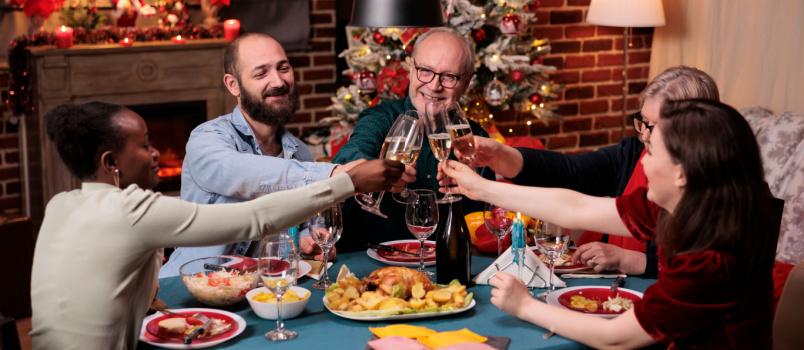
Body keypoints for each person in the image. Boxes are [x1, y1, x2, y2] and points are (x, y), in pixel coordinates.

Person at [29, 101, 403, 349]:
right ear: (112, 162)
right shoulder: (131, 210)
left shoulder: (61, 205)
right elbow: (255, 219)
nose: (156, 152)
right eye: (144, 145)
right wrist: (348, 181)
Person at [440, 99, 779, 348]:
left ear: (681, 173)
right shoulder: (692, 203)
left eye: (653, 152)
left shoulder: (711, 261)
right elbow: (576, 207)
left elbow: (614, 338)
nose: (642, 161)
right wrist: (482, 187)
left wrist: (524, 306)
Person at [158, 33, 414, 277]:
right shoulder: (208, 138)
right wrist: (337, 174)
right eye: (261, 73)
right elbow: (244, 173)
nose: (279, 82)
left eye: (284, 68)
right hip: (192, 290)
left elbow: (303, 227)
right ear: (233, 85)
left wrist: (310, 241)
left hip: (265, 293)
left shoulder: (300, 152)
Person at [454, 66, 720, 277]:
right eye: (643, 123)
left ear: (692, 131)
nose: (645, 138)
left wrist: (634, 260)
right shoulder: (638, 159)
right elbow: (572, 176)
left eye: (655, 127)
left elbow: (701, 274)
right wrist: (501, 156)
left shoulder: (711, 200)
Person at [332, 27, 496, 252]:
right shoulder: (380, 118)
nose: (434, 85)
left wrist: (479, 188)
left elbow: (486, 224)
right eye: (425, 71)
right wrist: (373, 172)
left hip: (442, 271)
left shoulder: (474, 139)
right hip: (366, 264)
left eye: (449, 76)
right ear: (411, 69)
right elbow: (347, 157)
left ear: (466, 82)